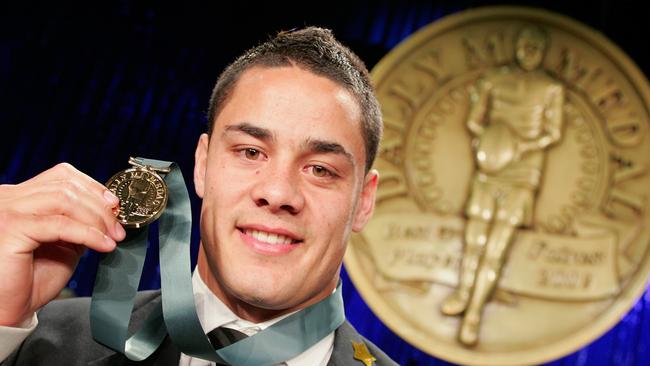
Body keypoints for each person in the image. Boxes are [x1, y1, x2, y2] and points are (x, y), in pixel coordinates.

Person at [0, 27, 396, 365]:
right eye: (250, 152)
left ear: (363, 200)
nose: (277, 193)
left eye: (321, 170)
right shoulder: (35, 343)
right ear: (202, 165)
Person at [439, 25, 564, 346]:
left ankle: (475, 314)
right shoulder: (493, 79)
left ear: (543, 50)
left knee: (496, 250)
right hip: (489, 168)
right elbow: (473, 120)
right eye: (525, 44)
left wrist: (519, 148)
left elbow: (553, 133)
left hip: (523, 173)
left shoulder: (551, 88)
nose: (529, 52)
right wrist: (489, 144)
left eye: (536, 46)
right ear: (518, 45)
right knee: (474, 239)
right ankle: (464, 294)